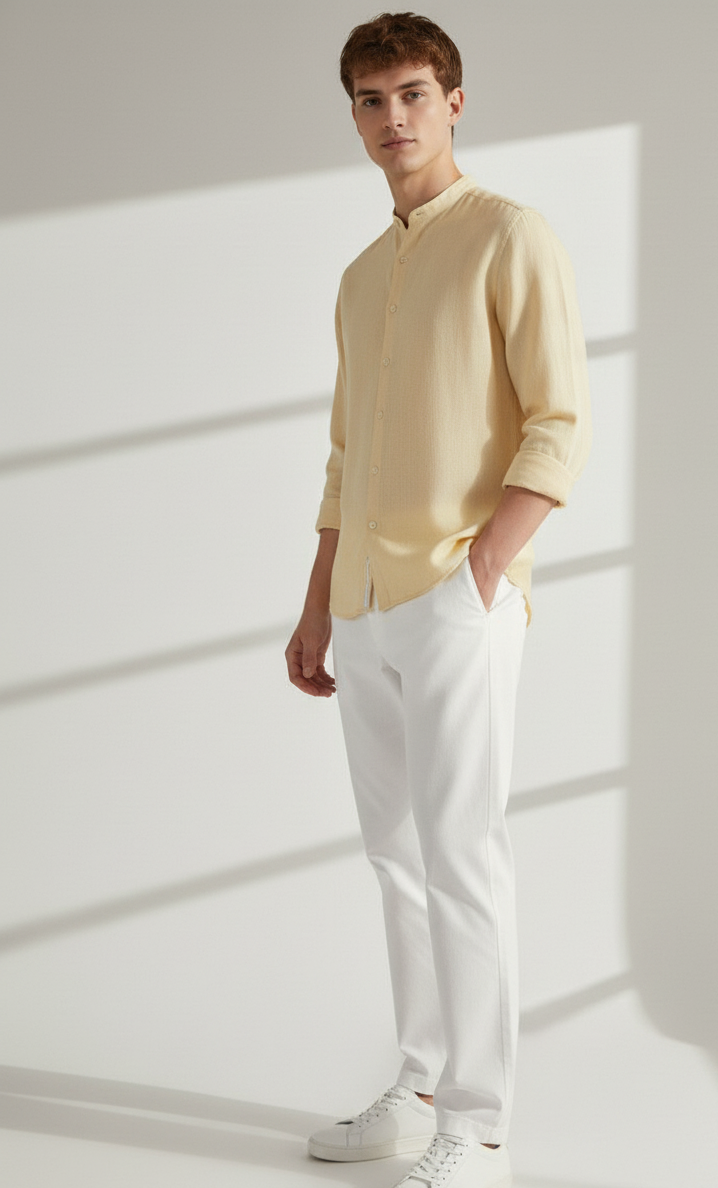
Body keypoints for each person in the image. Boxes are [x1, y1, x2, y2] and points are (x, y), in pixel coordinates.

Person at [285, 12, 591, 1187]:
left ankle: (482, 1125)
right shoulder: (362, 277)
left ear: (454, 101)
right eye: (370, 100)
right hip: (364, 603)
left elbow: (559, 424)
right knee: (396, 858)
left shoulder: (511, 236)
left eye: (412, 93)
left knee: (462, 856)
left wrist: (484, 572)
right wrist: (319, 603)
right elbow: (344, 455)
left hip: (458, 595)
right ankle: (417, 1087)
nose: (392, 118)